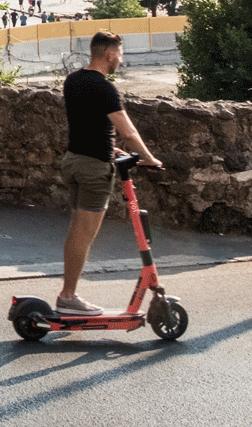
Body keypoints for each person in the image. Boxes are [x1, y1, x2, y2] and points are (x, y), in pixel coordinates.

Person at [57, 30, 162, 315]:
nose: (121, 59)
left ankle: (67, 294)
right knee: (85, 232)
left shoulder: (74, 79)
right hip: (93, 167)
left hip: (74, 159)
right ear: (109, 54)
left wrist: (110, 148)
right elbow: (127, 130)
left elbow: (86, 123)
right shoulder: (104, 87)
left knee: (76, 229)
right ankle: (68, 297)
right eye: (120, 54)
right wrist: (150, 159)